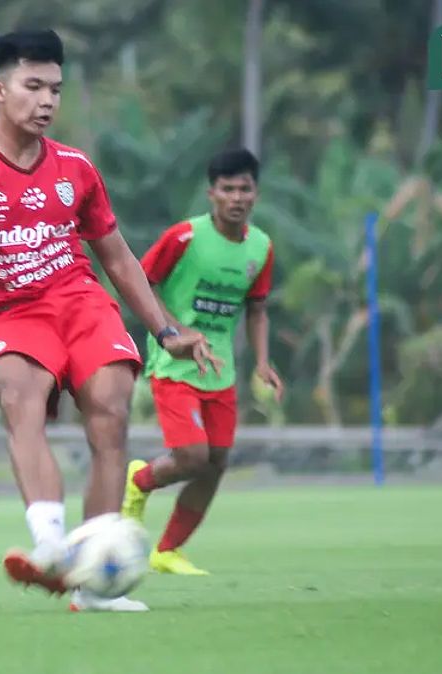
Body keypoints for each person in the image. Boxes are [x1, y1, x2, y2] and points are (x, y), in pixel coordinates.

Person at [0, 28, 219, 612]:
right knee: (21, 398)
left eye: (56, 88)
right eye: (34, 86)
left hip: (81, 303)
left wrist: (168, 331)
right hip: (11, 312)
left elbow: (118, 257)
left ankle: (95, 579)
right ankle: (51, 548)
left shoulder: (76, 168)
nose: (47, 100)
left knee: (110, 412)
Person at [120, 148, 285, 576]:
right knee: (192, 455)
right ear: (212, 194)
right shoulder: (185, 238)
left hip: (220, 371)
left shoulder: (262, 247)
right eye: (227, 189)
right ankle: (139, 481)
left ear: (256, 194)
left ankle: (168, 550)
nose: (236, 197)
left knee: (217, 463)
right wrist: (175, 332)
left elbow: (258, 308)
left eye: (244, 189)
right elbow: (141, 282)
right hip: (174, 366)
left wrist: (263, 363)